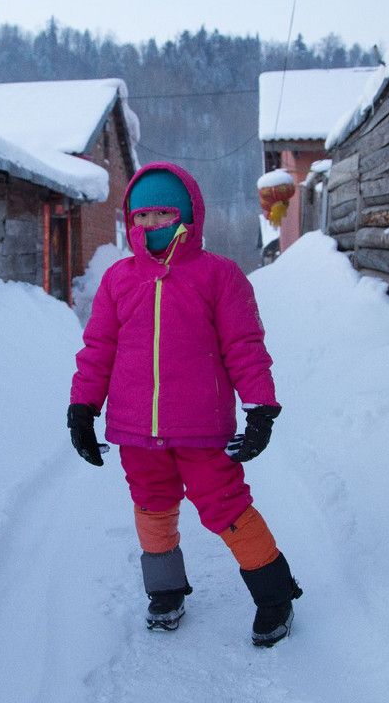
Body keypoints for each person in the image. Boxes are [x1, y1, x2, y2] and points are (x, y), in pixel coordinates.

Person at [67, 161, 301, 647]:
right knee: (151, 507)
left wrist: (261, 408)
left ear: (188, 215)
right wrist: (83, 409)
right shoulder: (117, 280)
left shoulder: (219, 275)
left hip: (201, 426)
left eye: (162, 213)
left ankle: (275, 595)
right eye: (141, 216)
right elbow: (98, 350)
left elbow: (244, 345)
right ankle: (166, 591)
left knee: (226, 506)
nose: (150, 225)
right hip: (135, 430)